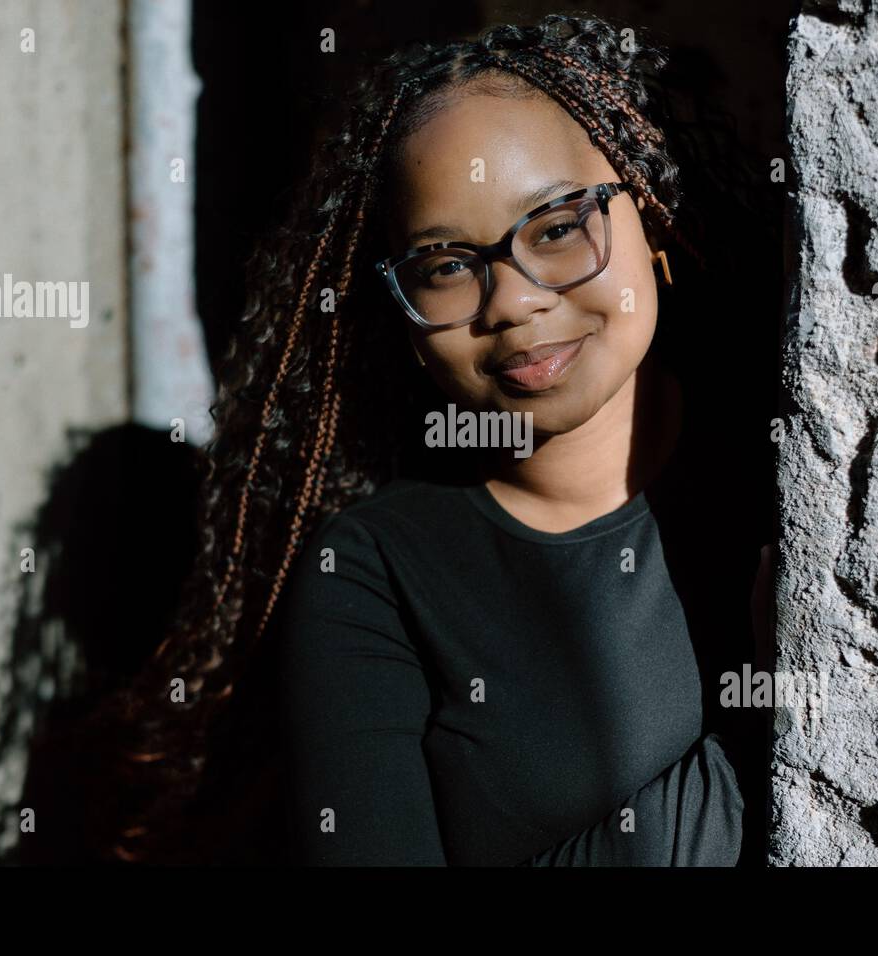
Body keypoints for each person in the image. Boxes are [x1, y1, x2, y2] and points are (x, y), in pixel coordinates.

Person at [96, 13, 775, 867]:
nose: (513, 301)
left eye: (559, 226)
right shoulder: (375, 577)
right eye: (447, 265)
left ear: (650, 211)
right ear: (403, 312)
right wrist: (765, 734)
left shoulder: (798, 467)